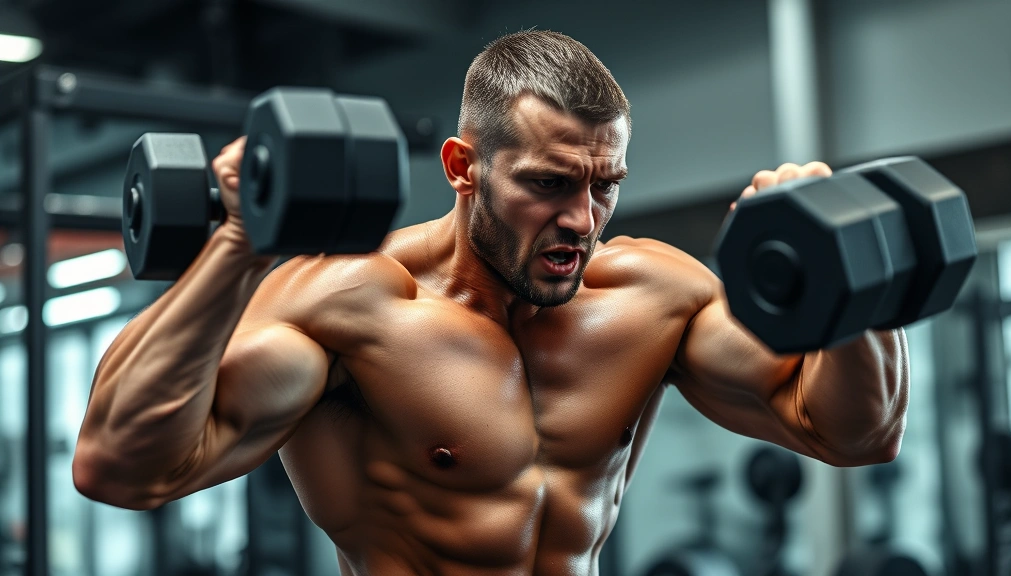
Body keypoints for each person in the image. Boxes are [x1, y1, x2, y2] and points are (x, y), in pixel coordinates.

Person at [73, 30, 909, 575]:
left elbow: (852, 431)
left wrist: (848, 281)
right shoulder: (354, 308)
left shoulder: (653, 294)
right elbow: (121, 469)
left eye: (604, 187)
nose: (581, 221)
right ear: (462, 166)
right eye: (549, 184)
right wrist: (235, 250)